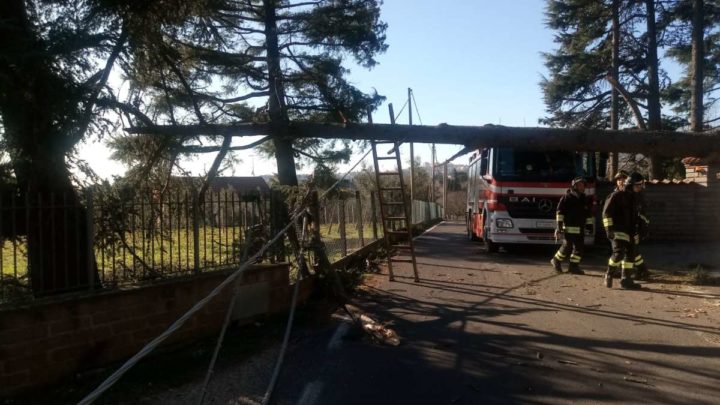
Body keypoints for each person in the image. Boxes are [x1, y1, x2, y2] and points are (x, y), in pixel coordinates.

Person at [602, 172, 643, 289]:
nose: (640, 187)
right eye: (638, 185)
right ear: (631, 185)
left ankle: (626, 280)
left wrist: (639, 229)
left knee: (630, 255)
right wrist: (609, 230)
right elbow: (606, 213)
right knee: (618, 254)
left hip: (630, 231)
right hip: (617, 230)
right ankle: (609, 274)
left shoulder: (634, 197)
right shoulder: (616, 195)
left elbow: (636, 215)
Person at [551, 177, 592, 275]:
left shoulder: (584, 198)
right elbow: (560, 213)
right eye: (580, 185)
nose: (582, 187)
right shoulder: (567, 197)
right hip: (568, 228)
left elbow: (588, 213)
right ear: (574, 186)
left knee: (579, 249)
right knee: (567, 247)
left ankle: (573, 267)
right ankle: (556, 261)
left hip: (580, 228)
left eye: (583, 185)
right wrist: (559, 227)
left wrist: (590, 225)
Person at [629, 172, 651, 280]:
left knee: (633, 250)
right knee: (634, 250)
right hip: (631, 228)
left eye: (640, 185)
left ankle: (641, 270)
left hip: (636, 228)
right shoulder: (631, 195)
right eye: (637, 185)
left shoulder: (638, 197)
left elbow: (643, 215)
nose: (639, 187)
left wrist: (642, 228)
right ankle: (642, 270)